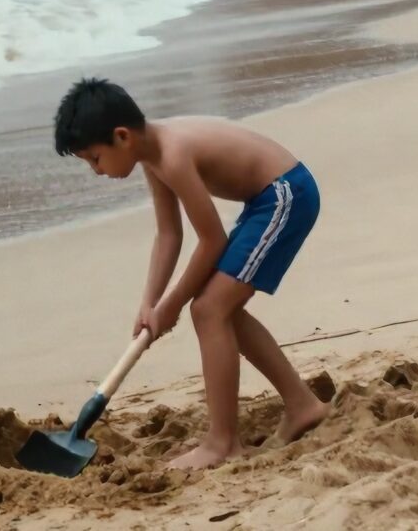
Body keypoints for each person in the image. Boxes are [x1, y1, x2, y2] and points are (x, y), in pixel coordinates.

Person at [53, 77, 328, 470]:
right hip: (266, 199)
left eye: (95, 159)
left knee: (208, 310)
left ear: (121, 136)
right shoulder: (152, 155)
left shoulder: (173, 155)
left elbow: (211, 240)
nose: (96, 171)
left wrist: (172, 305)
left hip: (285, 196)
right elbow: (169, 234)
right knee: (218, 309)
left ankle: (222, 443)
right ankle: (302, 405)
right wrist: (150, 303)